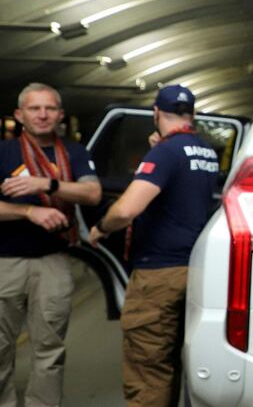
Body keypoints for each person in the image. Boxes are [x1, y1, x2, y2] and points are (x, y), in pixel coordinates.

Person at [87, 85, 218, 407]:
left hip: (158, 274)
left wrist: (101, 227)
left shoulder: (164, 152)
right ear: (193, 114)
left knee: (148, 368)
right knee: (174, 359)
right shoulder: (205, 151)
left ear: (156, 113)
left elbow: (128, 209)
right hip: (196, 268)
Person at [0, 83, 101, 407]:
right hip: (6, 261)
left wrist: (46, 184)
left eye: (49, 108)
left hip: (54, 261)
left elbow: (92, 194)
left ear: (60, 114)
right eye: (34, 108)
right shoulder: (3, 153)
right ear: (19, 115)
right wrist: (29, 210)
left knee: (49, 348)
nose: (42, 115)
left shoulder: (74, 152)